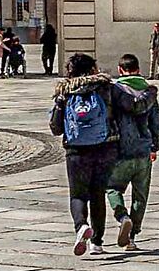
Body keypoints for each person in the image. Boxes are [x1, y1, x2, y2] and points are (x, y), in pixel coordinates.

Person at [49, 53, 116, 256]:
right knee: (98, 195)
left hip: (76, 150)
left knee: (78, 194)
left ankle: (81, 226)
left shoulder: (65, 92)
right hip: (103, 147)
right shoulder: (105, 88)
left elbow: (56, 127)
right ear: (92, 69)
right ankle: (97, 243)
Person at [105, 54, 159, 251]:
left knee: (112, 188)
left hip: (119, 150)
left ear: (120, 70)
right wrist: (154, 146)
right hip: (142, 151)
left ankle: (122, 216)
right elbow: (157, 122)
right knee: (140, 195)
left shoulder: (113, 91)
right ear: (138, 69)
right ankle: (131, 237)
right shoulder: (149, 93)